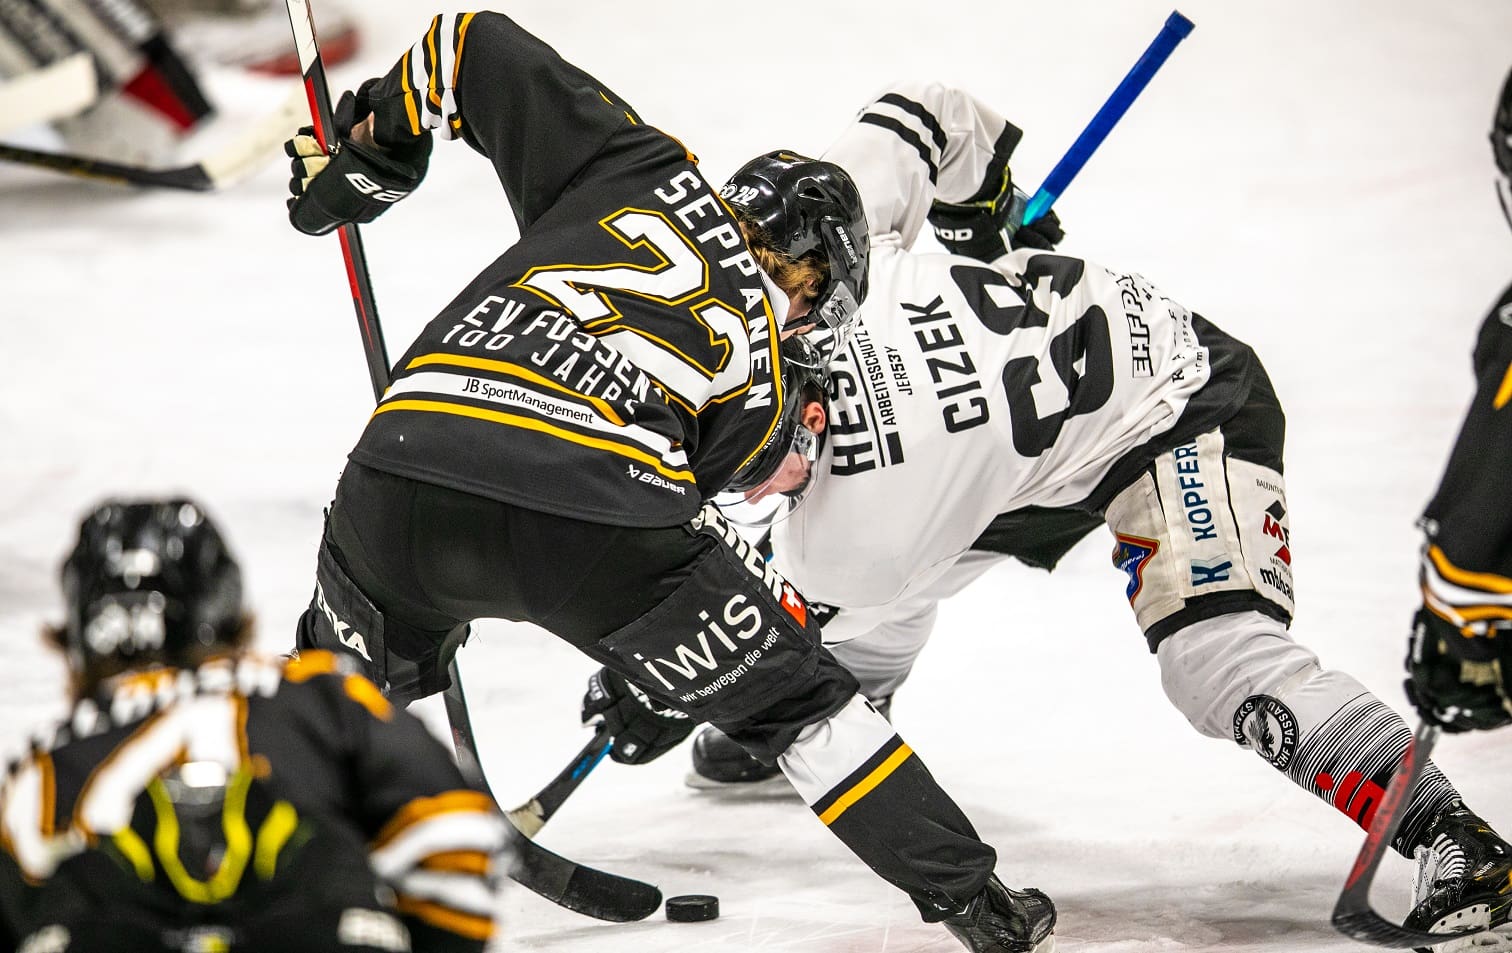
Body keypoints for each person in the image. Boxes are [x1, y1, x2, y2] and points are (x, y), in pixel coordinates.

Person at [282, 12, 1051, 953]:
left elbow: (471, 42)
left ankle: (224, 855)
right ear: (816, 290)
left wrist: (369, 148)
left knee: (329, 686)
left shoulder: (636, 165)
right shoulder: (772, 376)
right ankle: (974, 897)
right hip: (590, 516)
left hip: (403, 462)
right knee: (797, 699)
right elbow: (743, 504)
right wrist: (678, 678)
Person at [683, 79, 1512, 949]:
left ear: (811, 409)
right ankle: (873, 693)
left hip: (1176, 406)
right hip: (1022, 431)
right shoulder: (835, 243)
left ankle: (1456, 839)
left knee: (1216, 664)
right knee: (878, 584)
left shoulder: (863, 522)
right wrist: (983, 213)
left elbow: (775, 630)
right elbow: (927, 112)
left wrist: (663, 673)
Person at [0, 498, 506, 953]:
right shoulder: (318, 699)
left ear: (74, 643)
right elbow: (454, 840)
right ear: (230, 614)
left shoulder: (48, 764)